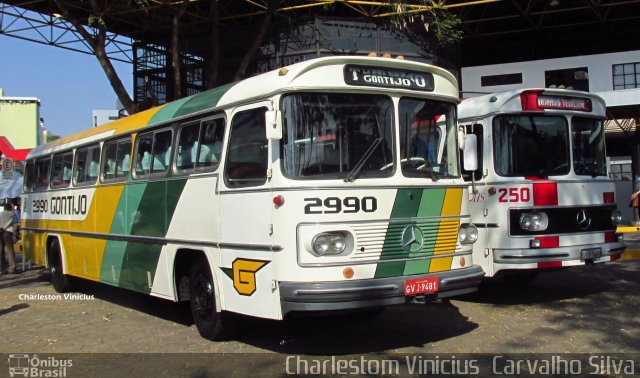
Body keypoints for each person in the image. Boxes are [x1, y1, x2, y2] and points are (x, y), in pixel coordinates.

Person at [0, 203, 17, 274]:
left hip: (0, 233)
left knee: (1, 251)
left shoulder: (0, 214)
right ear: (10, 208)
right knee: (10, 251)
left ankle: (2, 269)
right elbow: (15, 222)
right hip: (7, 233)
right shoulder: (11, 214)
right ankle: (12, 268)